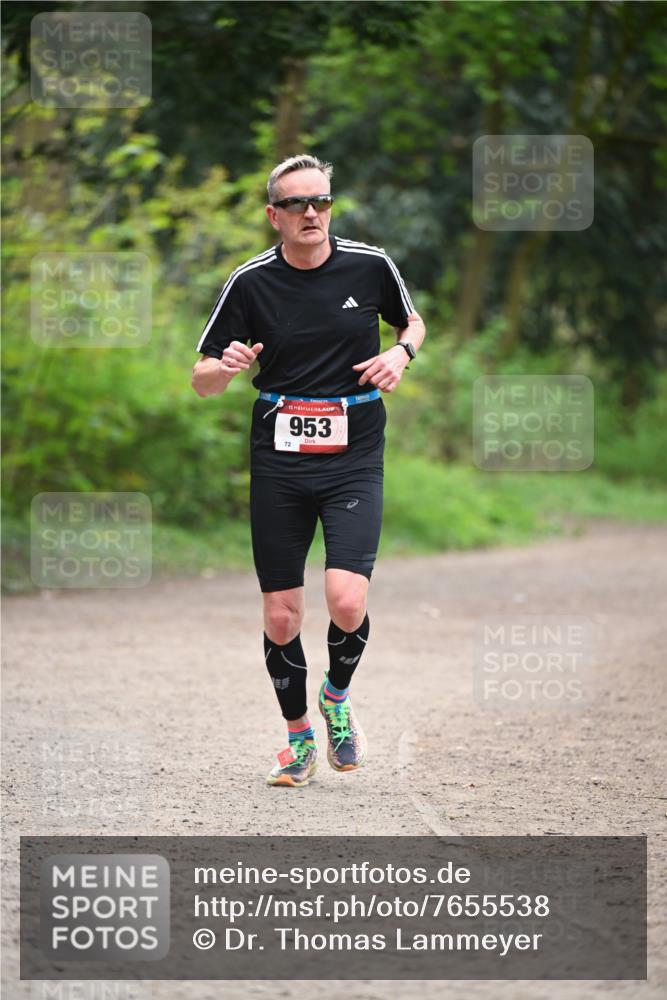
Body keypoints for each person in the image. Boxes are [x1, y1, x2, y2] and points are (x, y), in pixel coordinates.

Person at [192, 154, 425, 788]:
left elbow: (412, 321)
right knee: (281, 617)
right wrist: (225, 368)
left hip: (354, 456)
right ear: (275, 215)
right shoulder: (250, 283)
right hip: (279, 461)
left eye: (320, 200)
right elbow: (202, 379)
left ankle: (336, 699)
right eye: (296, 204)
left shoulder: (370, 265)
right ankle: (298, 739)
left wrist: (401, 354)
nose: (311, 213)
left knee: (346, 601)